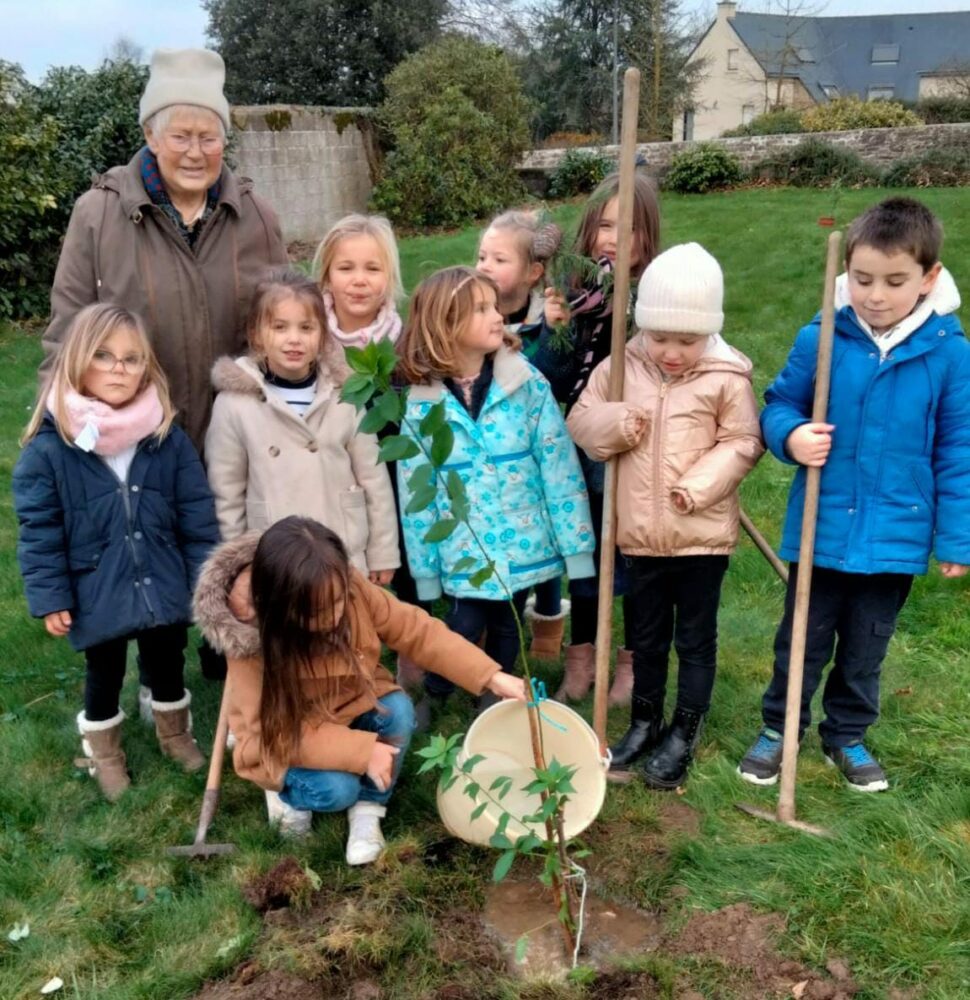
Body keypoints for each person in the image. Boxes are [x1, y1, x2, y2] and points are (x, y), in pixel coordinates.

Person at [40, 47, 287, 695]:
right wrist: (54, 420)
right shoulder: (100, 214)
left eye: (209, 136)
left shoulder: (255, 214)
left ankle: (226, 648)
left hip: (232, 421)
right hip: (139, 426)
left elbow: (288, 307)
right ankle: (161, 679)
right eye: (180, 134)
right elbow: (67, 325)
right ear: (150, 135)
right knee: (149, 541)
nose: (195, 150)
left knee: (229, 533)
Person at [738, 197, 970, 793]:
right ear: (846, 272)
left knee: (866, 649)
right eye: (862, 279)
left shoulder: (949, 354)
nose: (875, 295)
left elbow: (958, 449)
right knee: (802, 640)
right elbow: (779, 402)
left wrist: (956, 537)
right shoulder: (823, 335)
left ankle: (846, 734)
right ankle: (778, 729)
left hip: (897, 534)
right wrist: (792, 435)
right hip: (822, 527)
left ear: (929, 277)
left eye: (895, 281)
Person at [193, 517, 527, 860]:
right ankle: (286, 795)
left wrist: (490, 676)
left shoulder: (338, 583)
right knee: (337, 790)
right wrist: (363, 750)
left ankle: (368, 812)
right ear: (284, 605)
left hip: (352, 705)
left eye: (340, 601)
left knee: (398, 710)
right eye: (320, 611)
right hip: (290, 738)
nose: (337, 615)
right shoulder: (252, 644)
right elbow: (262, 739)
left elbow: (415, 629)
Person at [569, 244, 764, 788]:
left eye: (687, 340)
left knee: (695, 640)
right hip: (639, 536)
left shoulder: (727, 376)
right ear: (642, 326)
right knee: (646, 638)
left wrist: (694, 489)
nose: (672, 352)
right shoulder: (619, 366)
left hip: (701, 539)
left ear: (709, 332)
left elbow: (745, 441)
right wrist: (615, 422)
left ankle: (684, 729)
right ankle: (644, 721)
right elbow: (581, 422)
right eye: (659, 338)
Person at [14, 304, 219, 802]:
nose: (118, 369)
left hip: (163, 576)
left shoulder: (164, 436)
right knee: (103, 669)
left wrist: (206, 578)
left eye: (131, 359)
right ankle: (104, 751)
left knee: (167, 658)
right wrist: (51, 596)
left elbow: (196, 513)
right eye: (103, 356)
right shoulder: (51, 446)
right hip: (95, 584)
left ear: (146, 367)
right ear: (78, 360)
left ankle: (174, 734)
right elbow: (39, 530)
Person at [394, 267, 596, 726]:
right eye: (480, 310)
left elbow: (558, 466)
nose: (496, 317)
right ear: (444, 326)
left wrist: (577, 549)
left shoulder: (525, 385)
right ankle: (439, 688)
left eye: (494, 306)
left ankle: (494, 693)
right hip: (464, 544)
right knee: (464, 622)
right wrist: (426, 573)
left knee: (507, 620)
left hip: (520, 538)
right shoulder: (423, 404)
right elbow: (417, 495)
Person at [532, 172, 661, 707]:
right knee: (583, 559)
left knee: (631, 562)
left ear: (648, 238)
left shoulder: (655, 301)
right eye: (604, 225)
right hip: (580, 452)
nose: (613, 237)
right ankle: (580, 660)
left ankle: (629, 666)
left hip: (637, 453)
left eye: (627, 228)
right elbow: (552, 381)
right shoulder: (578, 298)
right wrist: (556, 330)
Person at [204, 268, 400, 582]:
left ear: (322, 335)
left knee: (350, 627)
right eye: (280, 327)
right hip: (275, 558)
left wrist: (383, 552)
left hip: (343, 549)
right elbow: (227, 494)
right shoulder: (235, 404)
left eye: (306, 328)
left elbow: (373, 478)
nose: (293, 339)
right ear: (257, 335)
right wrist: (240, 565)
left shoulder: (344, 395)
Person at [312, 214, 427, 689]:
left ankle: (412, 654)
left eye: (372, 269)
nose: (359, 280)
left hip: (395, 470)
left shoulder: (406, 340)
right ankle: (343, 651)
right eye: (346, 268)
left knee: (402, 555)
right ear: (326, 276)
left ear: (389, 278)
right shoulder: (309, 338)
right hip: (332, 473)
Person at [476, 210, 569, 661]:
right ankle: (482, 616)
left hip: (534, 453)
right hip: (487, 450)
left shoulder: (542, 318)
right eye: (481, 256)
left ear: (533, 272)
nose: (485, 266)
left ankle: (549, 620)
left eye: (499, 259)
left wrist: (552, 331)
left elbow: (552, 376)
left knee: (543, 537)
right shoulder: (470, 312)